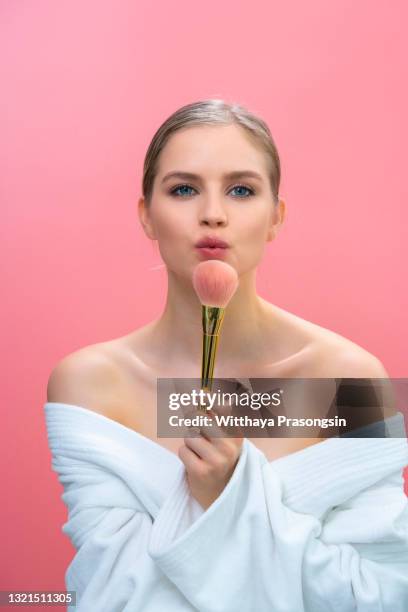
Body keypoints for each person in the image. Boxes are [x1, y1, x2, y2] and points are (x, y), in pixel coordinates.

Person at [44, 99, 408, 611]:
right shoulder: (89, 384)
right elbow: (111, 594)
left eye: (241, 190)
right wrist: (229, 510)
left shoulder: (350, 380)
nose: (213, 213)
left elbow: (381, 595)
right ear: (147, 216)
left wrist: (228, 496)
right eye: (183, 189)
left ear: (275, 217)